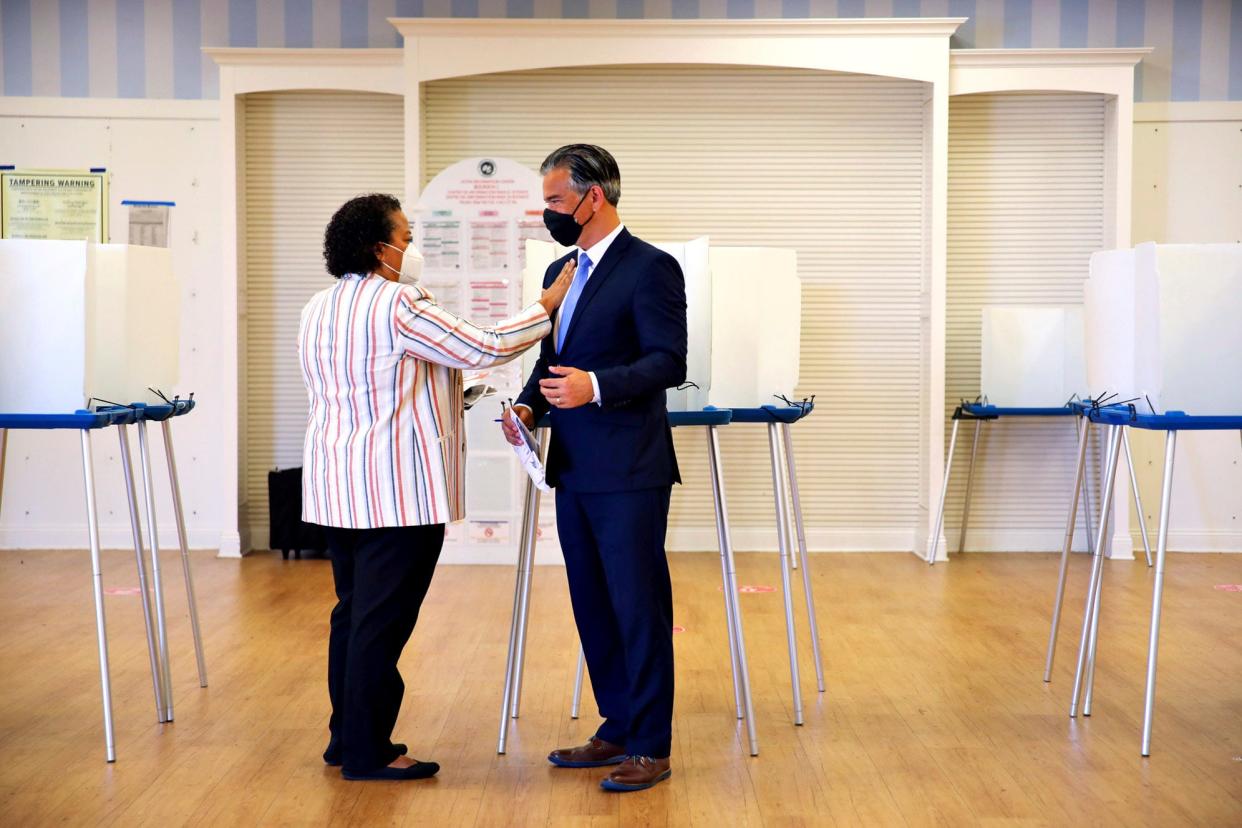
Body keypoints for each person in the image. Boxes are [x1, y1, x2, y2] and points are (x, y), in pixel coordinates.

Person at [300, 193, 573, 781]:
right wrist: (546, 303)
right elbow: (486, 344)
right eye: (405, 234)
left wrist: (454, 391)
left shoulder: (319, 306)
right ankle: (370, 754)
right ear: (381, 248)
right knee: (381, 625)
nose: (412, 244)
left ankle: (346, 740)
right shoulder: (399, 302)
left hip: (339, 487)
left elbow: (379, 382)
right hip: (397, 493)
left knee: (352, 617)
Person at [502, 145, 688, 792]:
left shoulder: (651, 268)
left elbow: (669, 362)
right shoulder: (561, 267)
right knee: (593, 603)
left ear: (594, 198)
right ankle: (617, 724)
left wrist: (598, 386)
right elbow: (553, 359)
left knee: (638, 605)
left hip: (631, 469)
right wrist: (528, 407)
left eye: (554, 201)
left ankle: (651, 744)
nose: (546, 213)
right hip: (574, 467)